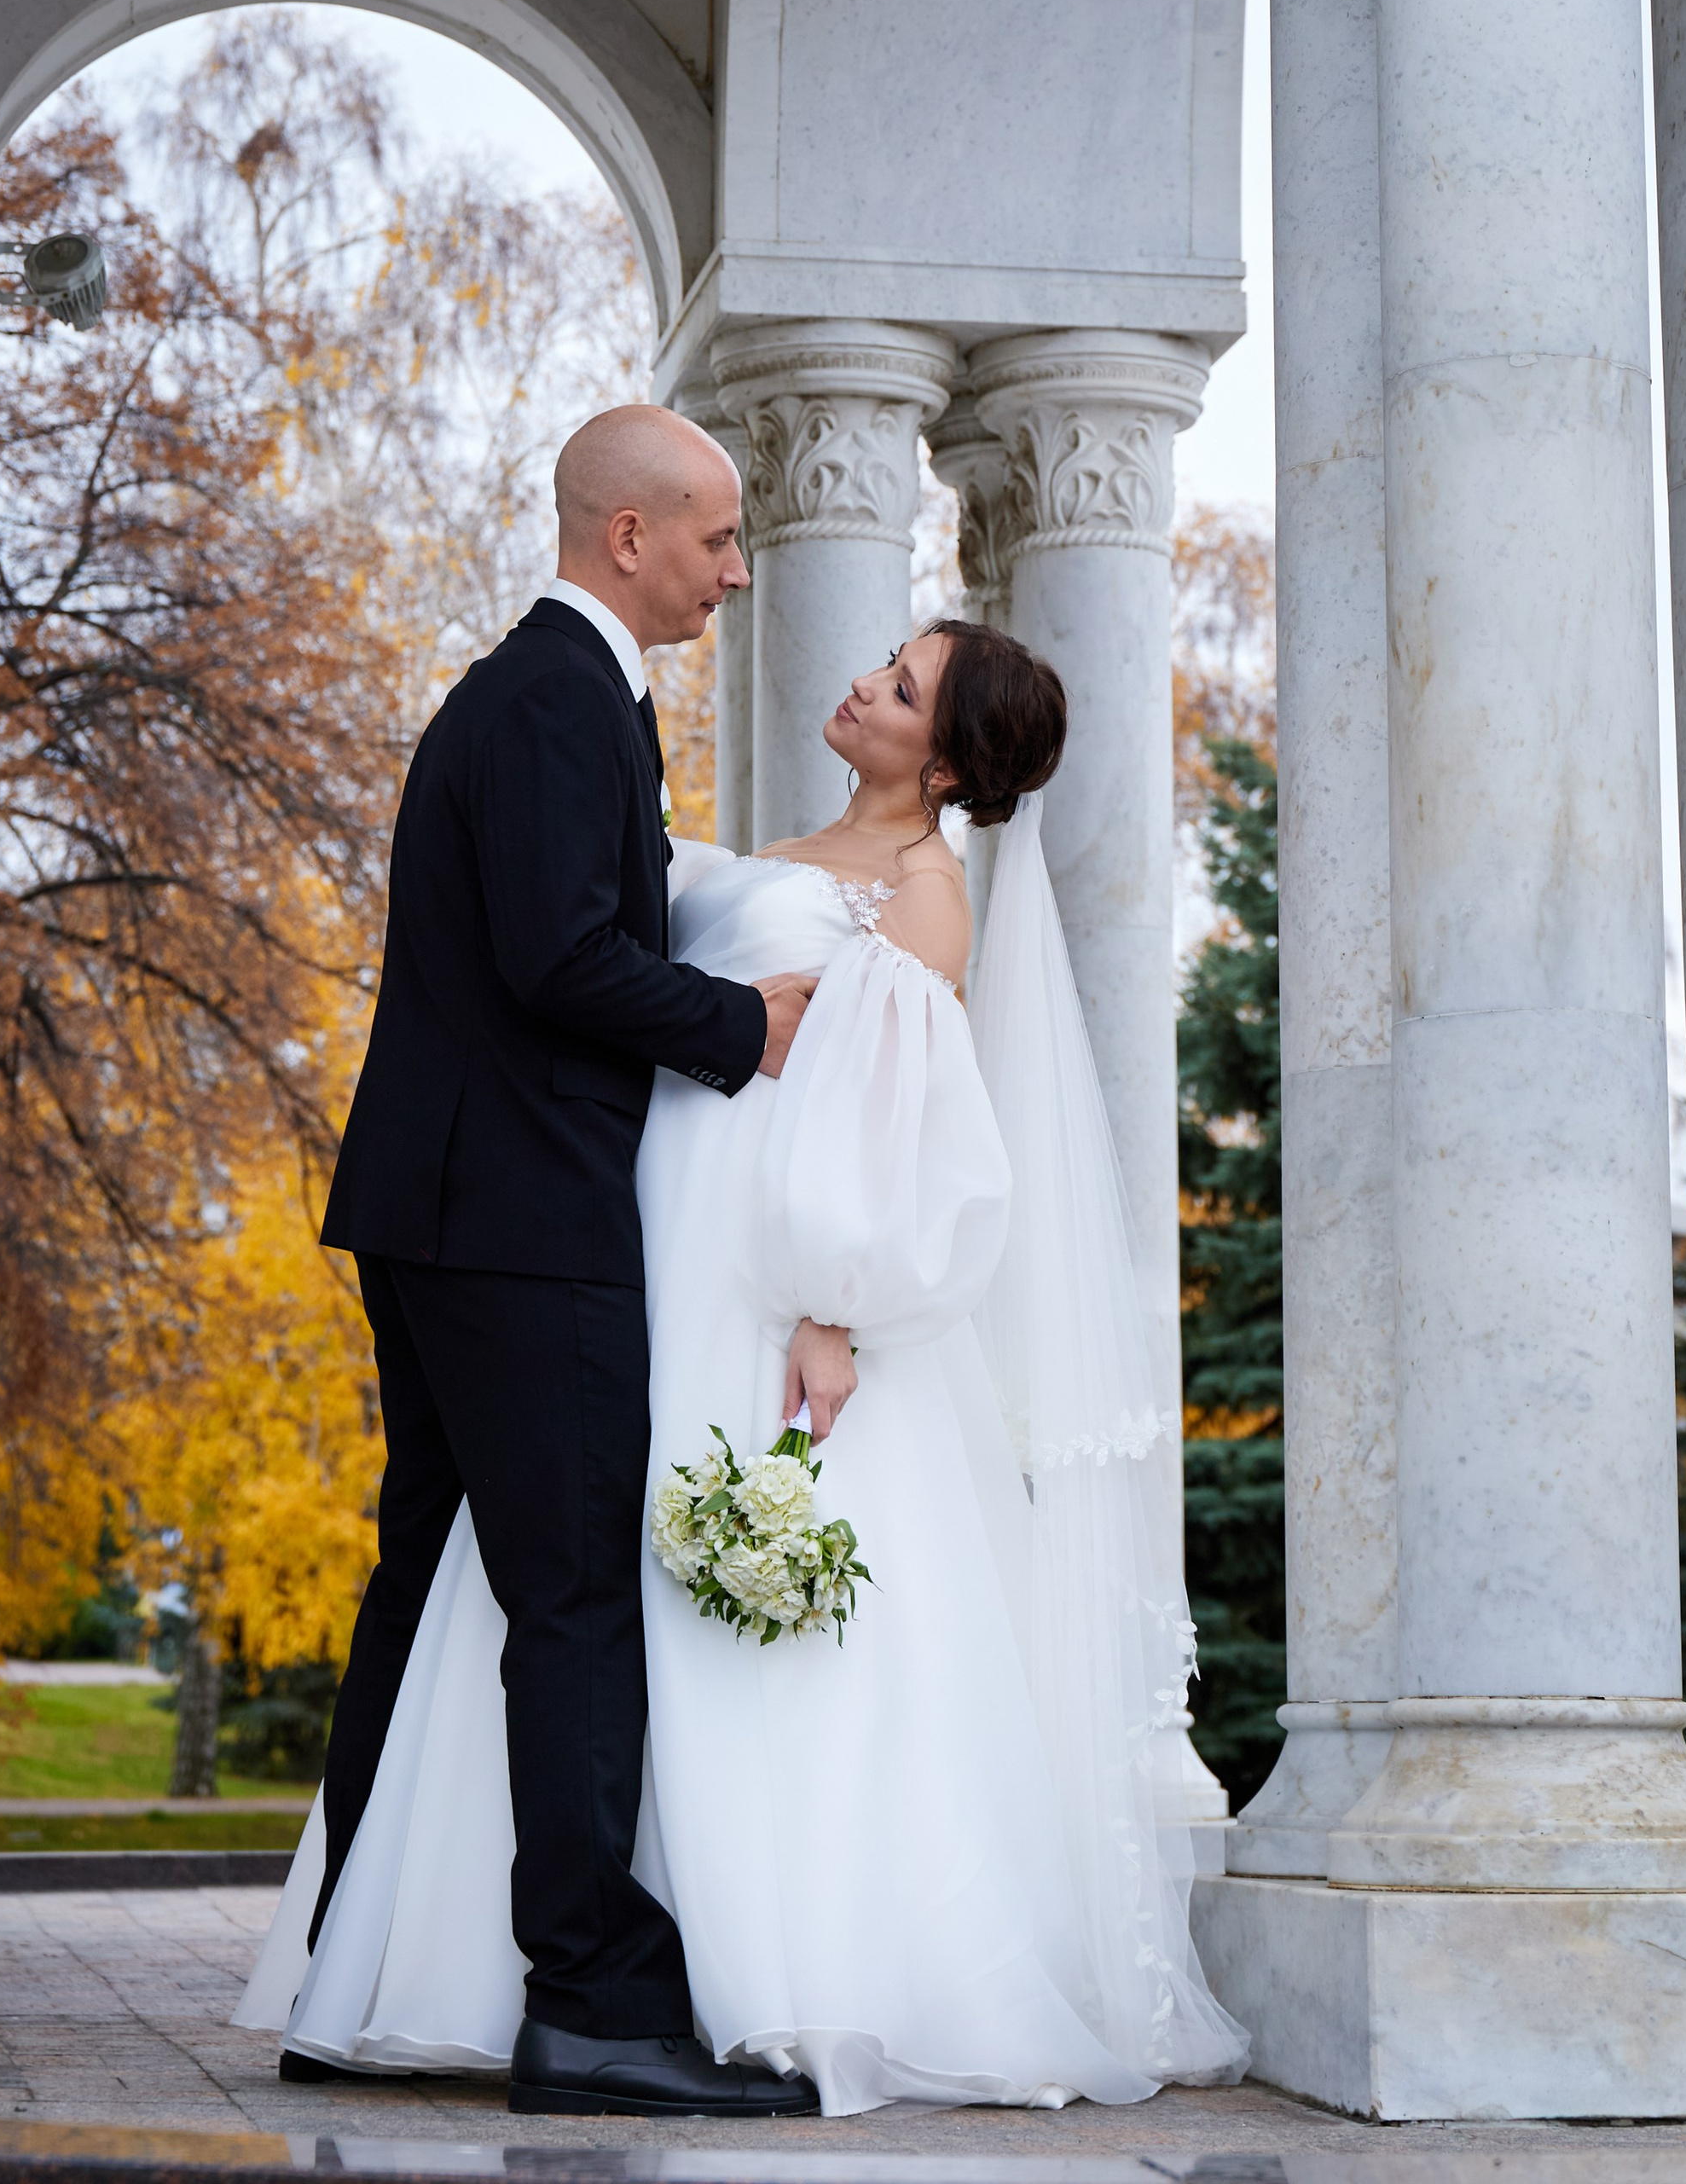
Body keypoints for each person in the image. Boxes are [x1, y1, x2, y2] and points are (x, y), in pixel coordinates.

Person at [240, 594, 1249, 2114]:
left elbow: (892, 1125)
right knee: (579, 1579)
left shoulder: (923, 900)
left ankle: (757, 1961)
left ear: (947, 765)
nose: (865, 684)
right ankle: (529, 1962)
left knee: (676, 1596)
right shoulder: (798, 852)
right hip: (649, 1240)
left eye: (901, 688)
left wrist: (829, 1309)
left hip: (760, 1285)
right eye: (885, 663)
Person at [299, 403, 824, 2120]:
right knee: (577, 1597)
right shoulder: (553, 698)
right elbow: (559, 957)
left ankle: (346, 1969)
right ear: (628, 535)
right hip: (518, 1218)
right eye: (717, 540)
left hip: (450, 1208)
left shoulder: (548, 693)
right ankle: (591, 2005)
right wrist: (743, 1026)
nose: (733, 573)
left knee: (427, 1583)